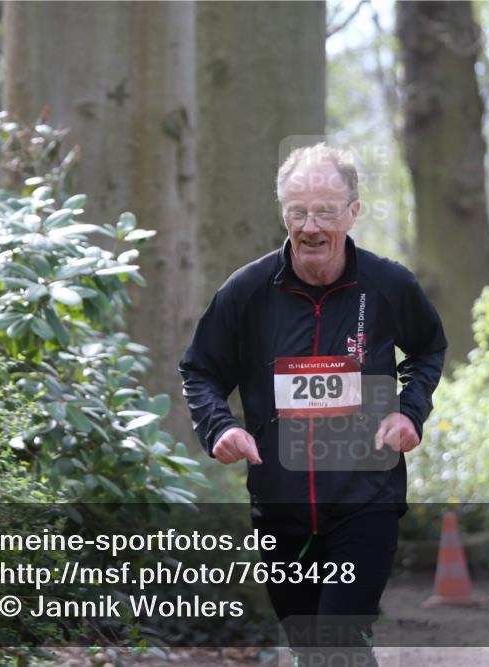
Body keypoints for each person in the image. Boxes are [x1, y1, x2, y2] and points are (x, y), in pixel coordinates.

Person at [179, 143, 446, 666]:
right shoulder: (248, 292)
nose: (311, 226)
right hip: (280, 507)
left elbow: (428, 348)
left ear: (353, 212)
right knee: (311, 647)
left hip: (365, 500)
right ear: (283, 212)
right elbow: (201, 370)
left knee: (335, 641)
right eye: (298, 211)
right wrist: (218, 428)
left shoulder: (389, 286)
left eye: (325, 211)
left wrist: (410, 410)